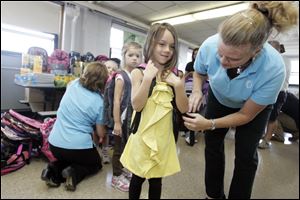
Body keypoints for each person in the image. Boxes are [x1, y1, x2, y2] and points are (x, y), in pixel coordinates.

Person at [183, 2, 298, 199]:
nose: (222, 62)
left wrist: (210, 123)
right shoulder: (209, 45)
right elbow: (199, 73)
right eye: (220, 53)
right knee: (212, 146)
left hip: (251, 108)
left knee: (246, 155)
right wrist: (196, 91)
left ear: (256, 52)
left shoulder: (273, 68)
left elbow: (246, 114)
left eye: (233, 59)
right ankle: (214, 195)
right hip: (218, 98)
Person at [120, 23, 189, 199]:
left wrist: (179, 85)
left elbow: (183, 109)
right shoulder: (139, 72)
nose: (167, 50)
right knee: (137, 178)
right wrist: (148, 78)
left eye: (171, 46)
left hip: (163, 140)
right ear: (151, 43)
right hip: (142, 139)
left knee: (156, 182)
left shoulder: (175, 75)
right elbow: (137, 105)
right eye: (162, 44)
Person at [41, 62, 108, 191]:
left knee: (68, 158)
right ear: (103, 82)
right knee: (95, 163)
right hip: (78, 147)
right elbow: (100, 133)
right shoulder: (100, 102)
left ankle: (51, 171)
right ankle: (74, 173)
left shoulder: (73, 84)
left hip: (54, 144)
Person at [110, 42, 143, 192]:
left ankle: (123, 169)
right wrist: (117, 122)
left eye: (137, 55)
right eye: (131, 55)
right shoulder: (121, 77)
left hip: (131, 119)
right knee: (118, 148)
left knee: (127, 147)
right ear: (124, 56)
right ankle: (116, 177)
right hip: (122, 119)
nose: (134, 59)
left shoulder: (136, 74)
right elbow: (116, 100)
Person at [258, 41, 291, 149]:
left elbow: (270, 74)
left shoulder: (284, 60)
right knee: (264, 115)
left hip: (279, 92)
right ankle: (263, 136)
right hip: (269, 90)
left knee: (272, 117)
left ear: (277, 49)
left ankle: (266, 141)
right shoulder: (271, 59)